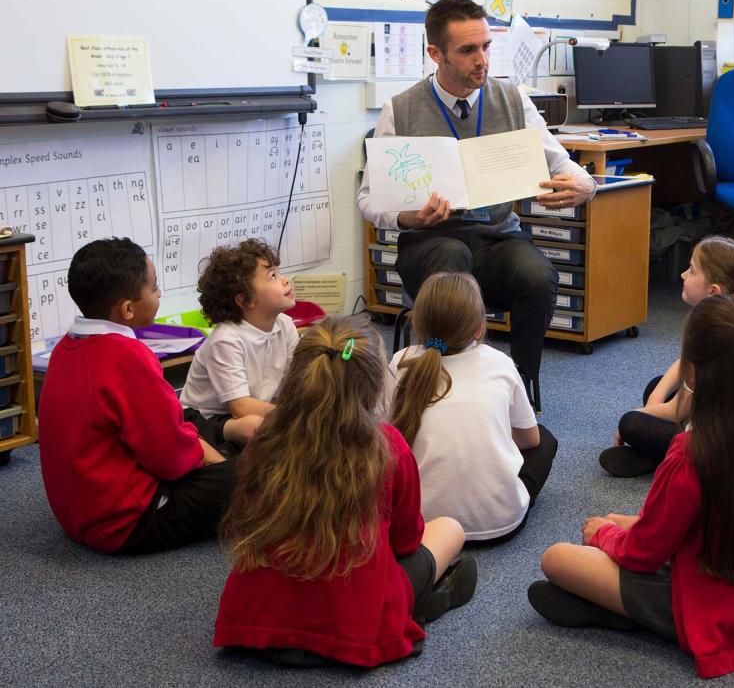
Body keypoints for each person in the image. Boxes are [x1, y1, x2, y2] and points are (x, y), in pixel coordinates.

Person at [528, 295, 734, 680]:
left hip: (728, 614)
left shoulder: (693, 449)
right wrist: (628, 523)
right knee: (623, 522)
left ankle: (629, 614)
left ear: (692, 372)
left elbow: (642, 556)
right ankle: (614, 606)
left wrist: (603, 535)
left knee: (557, 558)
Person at [356, 0, 597, 385]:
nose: (482, 60)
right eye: (468, 50)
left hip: (498, 240)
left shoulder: (513, 99)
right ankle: (446, 387)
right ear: (436, 53)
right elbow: (368, 199)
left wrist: (585, 184)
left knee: (538, 275)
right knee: (451, 257)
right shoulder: (400, 109)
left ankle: (518, 386)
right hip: (430, 241)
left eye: (486, 46)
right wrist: (406, 217)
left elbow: (560, 161)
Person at [213, 315, 476, 667]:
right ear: (373, 384)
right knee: (450, 529)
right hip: (351, 624)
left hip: (256, 624)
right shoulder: (388, 446)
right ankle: (419, 601)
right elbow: (406, 542)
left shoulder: (266, 437)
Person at [38, 237, 257, 554]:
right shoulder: (126, 356)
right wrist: (221, 464)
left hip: (80, 511)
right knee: (256, 472)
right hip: (126, 523)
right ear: (128, 308)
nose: (159, 294)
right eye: (154, 288)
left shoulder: (66, 346)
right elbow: (170, 458)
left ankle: (226, 438)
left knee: (187, 413)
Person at [598, 235, 734, 477]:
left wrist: (638, 414)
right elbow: (684, 365)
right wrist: (655, 399)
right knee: (656, 386)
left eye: (691, 270)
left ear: (713, 291)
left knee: (631, 424)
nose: (682, 275)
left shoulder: (716, 336)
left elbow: (677, 410)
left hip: (729, 449)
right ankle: (659, 455)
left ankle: (668, 460)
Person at [390, 272, 557, 543]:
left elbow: (384, 434)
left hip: (419, 522)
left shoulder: (401, 361)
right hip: (500, 524)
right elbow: (530, 439)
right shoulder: (500, 362)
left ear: (417, 322)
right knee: (545, 440)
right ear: (479, 327)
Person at [180, 239, 298, 448]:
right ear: (246, 301)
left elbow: (296, 382)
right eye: (272, 276)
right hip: (206, 423)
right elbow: (241, 407)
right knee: (258, 426)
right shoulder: (226, 340)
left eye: (278, 273)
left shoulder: (286, 325)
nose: (285, 281)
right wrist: (300, 415)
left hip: (256, 411)